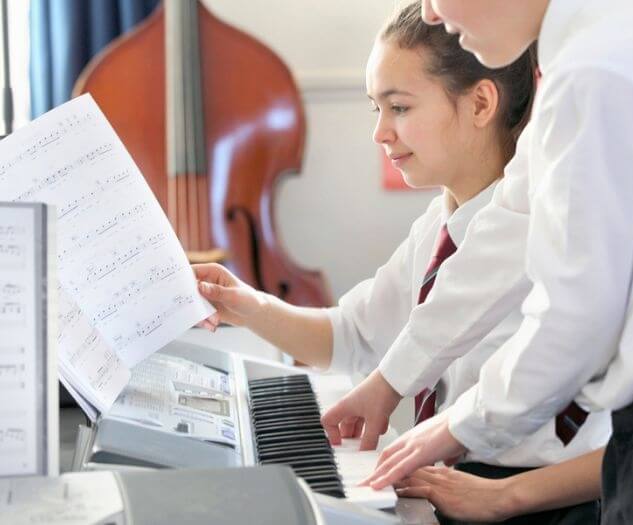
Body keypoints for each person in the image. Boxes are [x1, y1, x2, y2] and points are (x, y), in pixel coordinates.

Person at [195, 3, 609, 522]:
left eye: (401, 108)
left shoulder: (559, 217)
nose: (380, 134)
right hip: (448, 486)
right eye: (377, 109)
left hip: (537, 502)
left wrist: (487, 480)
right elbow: (353, 335)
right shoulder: (438, 229)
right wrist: (249, 306)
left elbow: (606, 427)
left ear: (481, 104)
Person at [347, 1, 633, 524]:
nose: (432, 13)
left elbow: (578, 316)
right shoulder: (595, 50)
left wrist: (458, 426)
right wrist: (389, 382)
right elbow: (503, 237)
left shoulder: (600, 68)